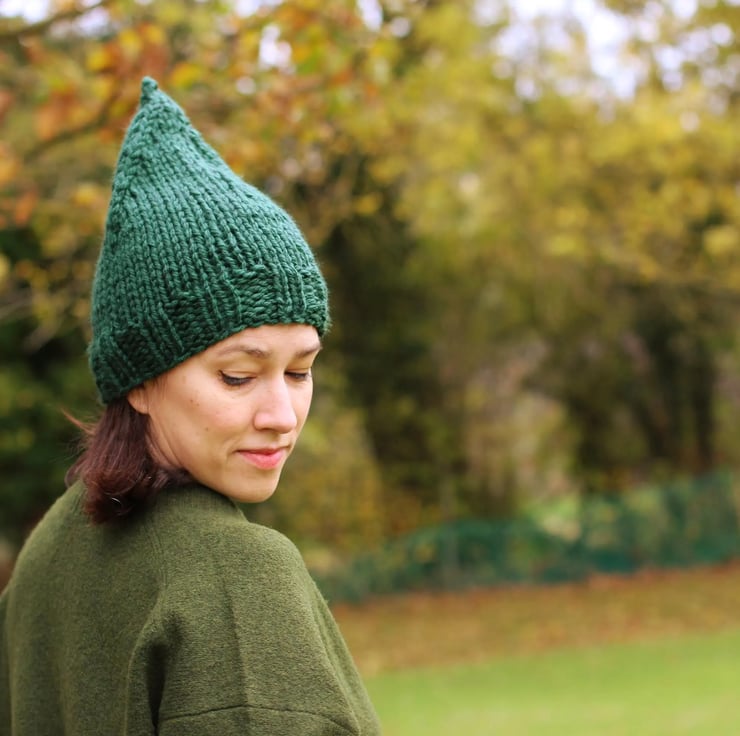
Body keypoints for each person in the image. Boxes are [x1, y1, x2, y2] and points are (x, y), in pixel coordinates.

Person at [0, 77, 381, 736]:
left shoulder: (45, 560)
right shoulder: (237, 574)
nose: (282, 415)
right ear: (140, 381)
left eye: (300, 371)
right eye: (238, 376)